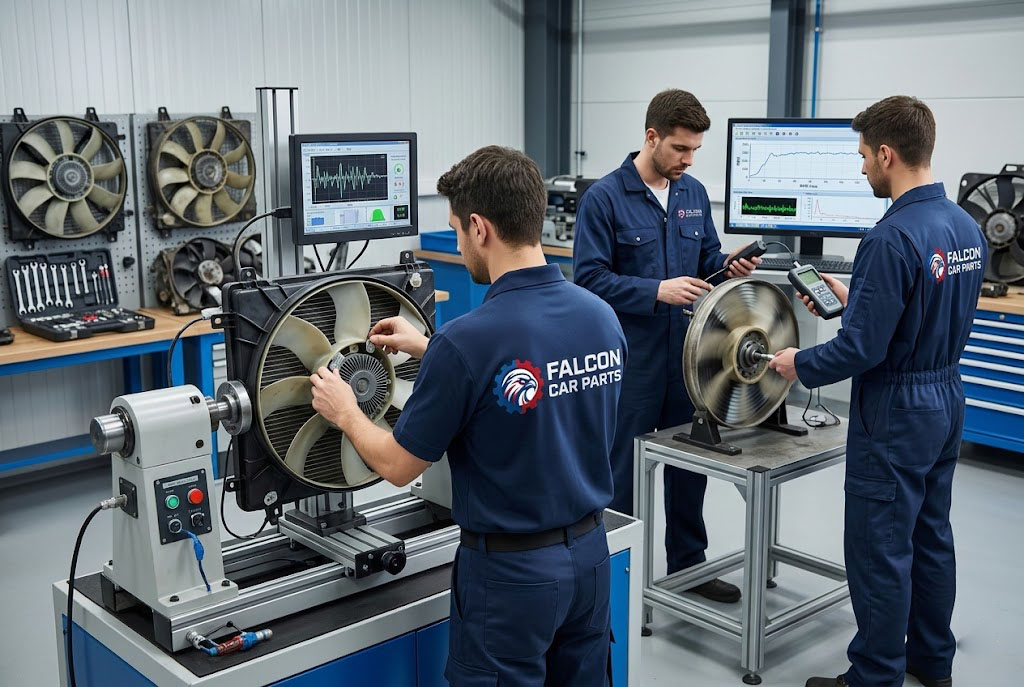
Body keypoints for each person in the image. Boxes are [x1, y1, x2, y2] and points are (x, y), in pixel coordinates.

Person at [308, 145, 627, 686]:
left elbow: (397, 465)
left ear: (479, 228)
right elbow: (533, 378)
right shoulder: (600, 317)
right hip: (592, 560)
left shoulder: (468, 341)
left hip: (512, 580)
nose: (458, 241)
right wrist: (428, 349)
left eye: (456, 229)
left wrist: (345, 412)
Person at [769, 96, 985, 687]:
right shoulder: (964, 225)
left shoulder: (890, 238)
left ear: (887, 154)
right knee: (930, 536)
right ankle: (931, 662)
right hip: (945, 398)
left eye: (864, 156)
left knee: (881, 547)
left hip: (894, 410)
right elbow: (915, 311)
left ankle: (875, 675)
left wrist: (797, 363)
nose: (862, 168)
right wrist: (859, 291)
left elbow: (862, 351)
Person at [573, 89, 760, 603]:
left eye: (695, 150)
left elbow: (706, 261)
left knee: (688, 467)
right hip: (630, 361)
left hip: (687, 361)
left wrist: (729, 267)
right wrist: (654, 291)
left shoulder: (693, 194)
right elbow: (587, 280)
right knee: (621, 474)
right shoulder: (605, 198)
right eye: (680, 148)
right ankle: (613, 577)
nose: (688, 160)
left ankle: (690, 568)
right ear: (651, 137)